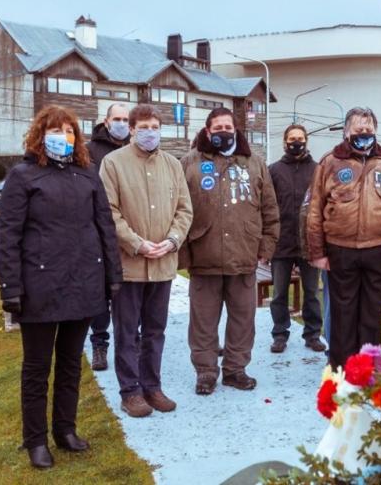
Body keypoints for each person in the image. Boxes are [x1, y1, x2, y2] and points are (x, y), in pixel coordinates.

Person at [0, 105, 123, 469]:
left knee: (70, 363)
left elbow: (105, 228)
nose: (63, 137)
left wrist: (113, 276)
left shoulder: (88, 174)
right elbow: (8, 236)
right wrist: (10, 288)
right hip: (39, 287)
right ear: (40, 135)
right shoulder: (23, 176)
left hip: (83, 283)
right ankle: (35, 440)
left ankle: (65, 430)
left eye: (70, 131)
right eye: (56, 131)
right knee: (37, 367)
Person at [100, 104, 192, 417]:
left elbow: (184, 209)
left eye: (155, 126)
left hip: (163, 264)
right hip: (129, 265)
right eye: (143, 127)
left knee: (156, 330)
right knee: (127, 332)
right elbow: (108, 211)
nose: (149, 132)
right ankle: (130, 391)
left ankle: (152, 386)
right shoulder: (113, 163)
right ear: (132, 129)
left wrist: (172, 240)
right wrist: (137, 244)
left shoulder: (172, 164)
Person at [179, 107, 279, 395]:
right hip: (204, 255)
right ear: (208, 131)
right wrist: (184, 255)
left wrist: (267, 246)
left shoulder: (254, 163)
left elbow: (270, 209)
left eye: (228, 127)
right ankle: (206, 372)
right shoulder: (189, 162)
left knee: (243, 319)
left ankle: (235, 370)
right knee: (203, 322)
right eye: (218, 127)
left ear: (236, 130)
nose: (224, 131)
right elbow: (178, 210)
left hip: (243, 255)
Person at [306, 107, 381, 369]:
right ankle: (342, 369)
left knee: (371, 315)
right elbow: (314, 210)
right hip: (341, 250)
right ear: (346, 131)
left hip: (378, 250)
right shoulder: (330, 162)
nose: (364, 134)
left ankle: (368, 369)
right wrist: (317, 253)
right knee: (343, 314)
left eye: (369, 130)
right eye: (359, 130)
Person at [268, 124, 324, 354]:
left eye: (300, 138)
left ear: (306, 141)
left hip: (309, 243)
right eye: (292, 138)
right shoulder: (274, 170)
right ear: (284, 142)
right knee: (279, 293)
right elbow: (267, 207)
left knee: (312, 292)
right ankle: (280, 334)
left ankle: (312, 334)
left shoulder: (318, 170)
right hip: (281, 243)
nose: (296, 142)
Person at [86, 103, 131, 371]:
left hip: (129, 230)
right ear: (106, 121)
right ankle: (100, 344)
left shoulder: (134, 149)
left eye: (126, 119)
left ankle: (130, 339)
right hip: (100, 229)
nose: (122, 123)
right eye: (117, 119)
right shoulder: (91, 151)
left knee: (129, 290)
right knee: (103, 291)